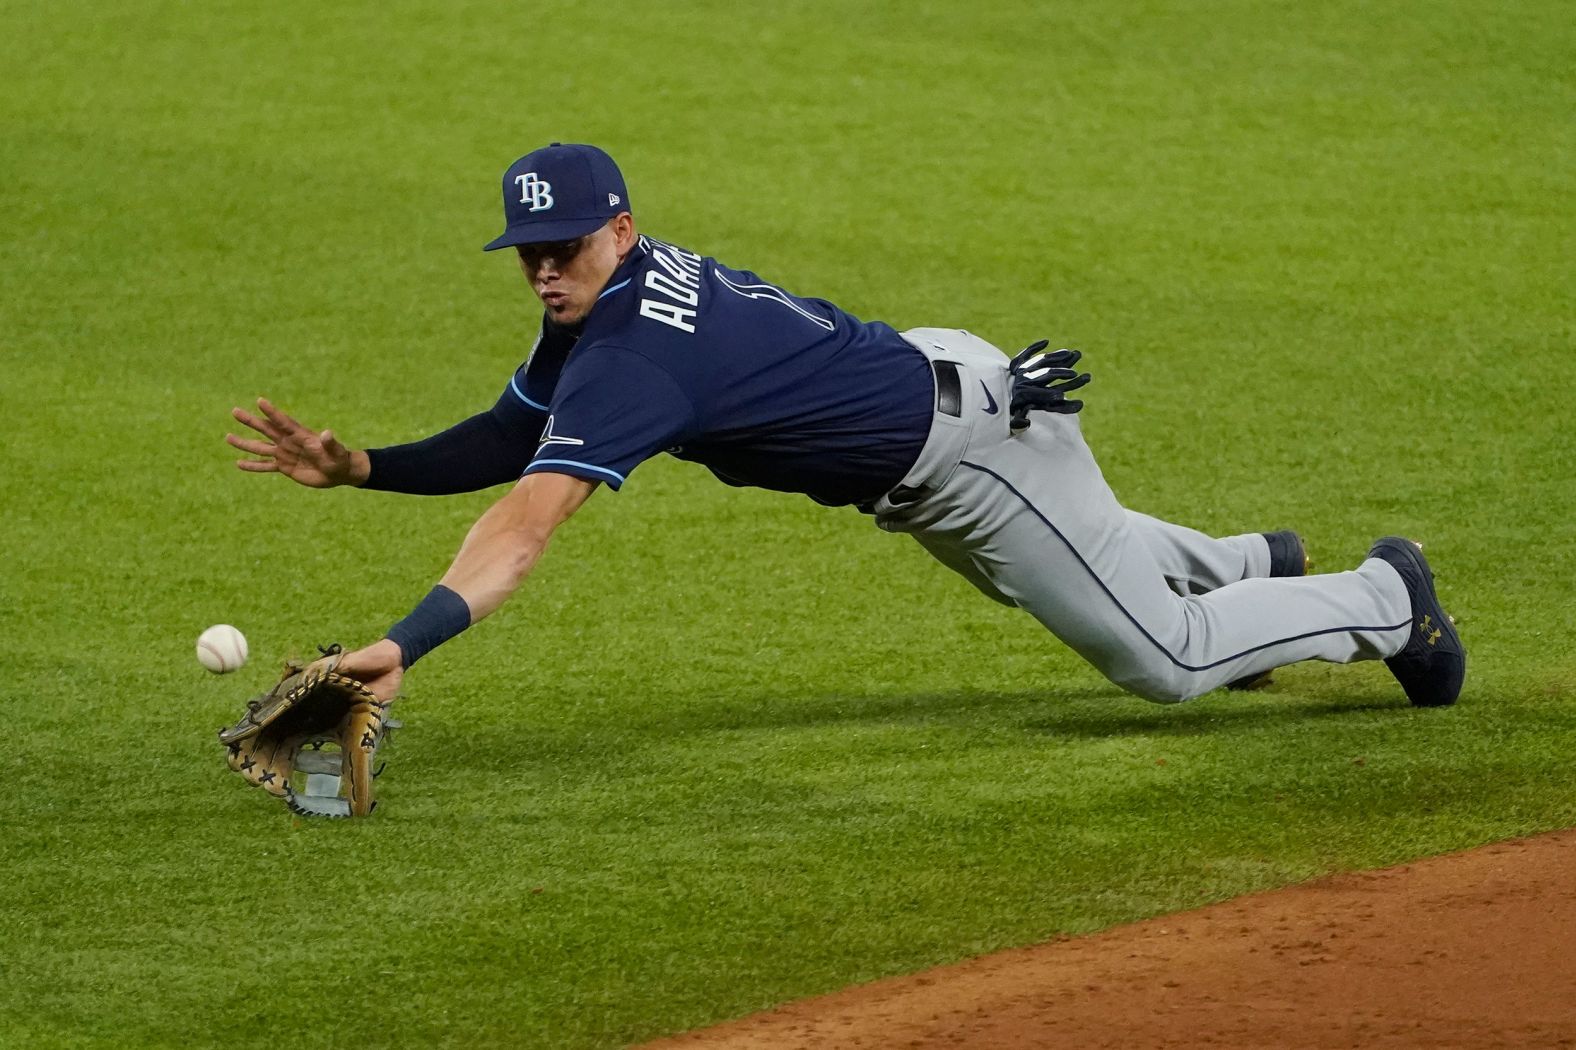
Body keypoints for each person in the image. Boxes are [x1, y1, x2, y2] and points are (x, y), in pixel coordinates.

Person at [226, 143, 1465, 710]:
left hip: (973, 449)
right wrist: (369, 469)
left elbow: (526, 522)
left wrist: (409, 640)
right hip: (929, 401)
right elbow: (514, 435)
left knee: (1172, 662)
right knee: (1065, 575)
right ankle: (1255, 564)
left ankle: (1384, 599)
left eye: (564, 250)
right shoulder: (610, 303)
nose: (544, 273)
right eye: (527, 256)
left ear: (621, 228)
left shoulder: (635, 354)